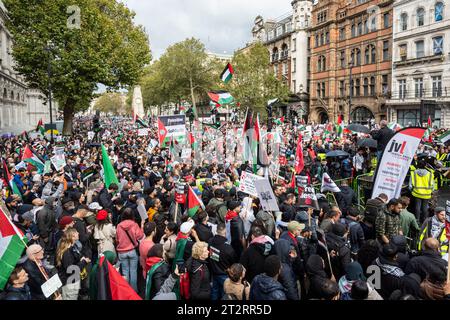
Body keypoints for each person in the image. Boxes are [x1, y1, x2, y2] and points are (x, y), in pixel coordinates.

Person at [56, 228, 91, 300]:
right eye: (76, 232)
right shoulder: (67, 252)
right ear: (72, 236)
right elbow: (70, 269)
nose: (78, 233)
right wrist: (84, 262)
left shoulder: (72, 247)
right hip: (70, 283)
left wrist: (81, 258)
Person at [116, 208, 145, 292]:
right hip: (132, 251)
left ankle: (126, 291)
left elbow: (117, 239)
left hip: (121, 251)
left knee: (125, 272)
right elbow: (140, 236)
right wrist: (142, 227)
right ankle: (134, 291)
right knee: (133, 272)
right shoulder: (134, 224)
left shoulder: (119, 225)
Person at [208, 223, 237, 300]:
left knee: (214, 292)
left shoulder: (210, 241)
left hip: (214, 272)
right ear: (225, 233)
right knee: (224, 295)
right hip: (224, 275)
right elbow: (233, 262)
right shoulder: (228, 248)